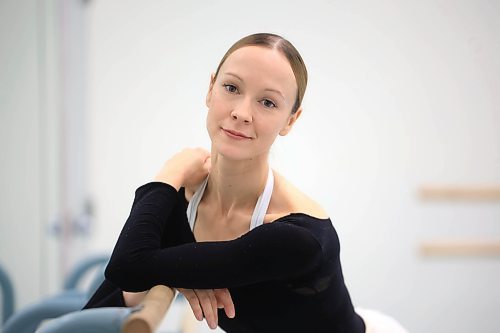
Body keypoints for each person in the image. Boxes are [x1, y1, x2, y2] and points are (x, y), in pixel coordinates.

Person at [84, 33, 405, 333]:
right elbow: (102, 302)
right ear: (210, 89)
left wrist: (171, 171)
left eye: (267, 102)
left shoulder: (299, 236)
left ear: (290, 120)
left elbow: (131, 262)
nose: (241, 113)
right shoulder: (183, 206)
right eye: (232, 88)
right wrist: (169, 274)